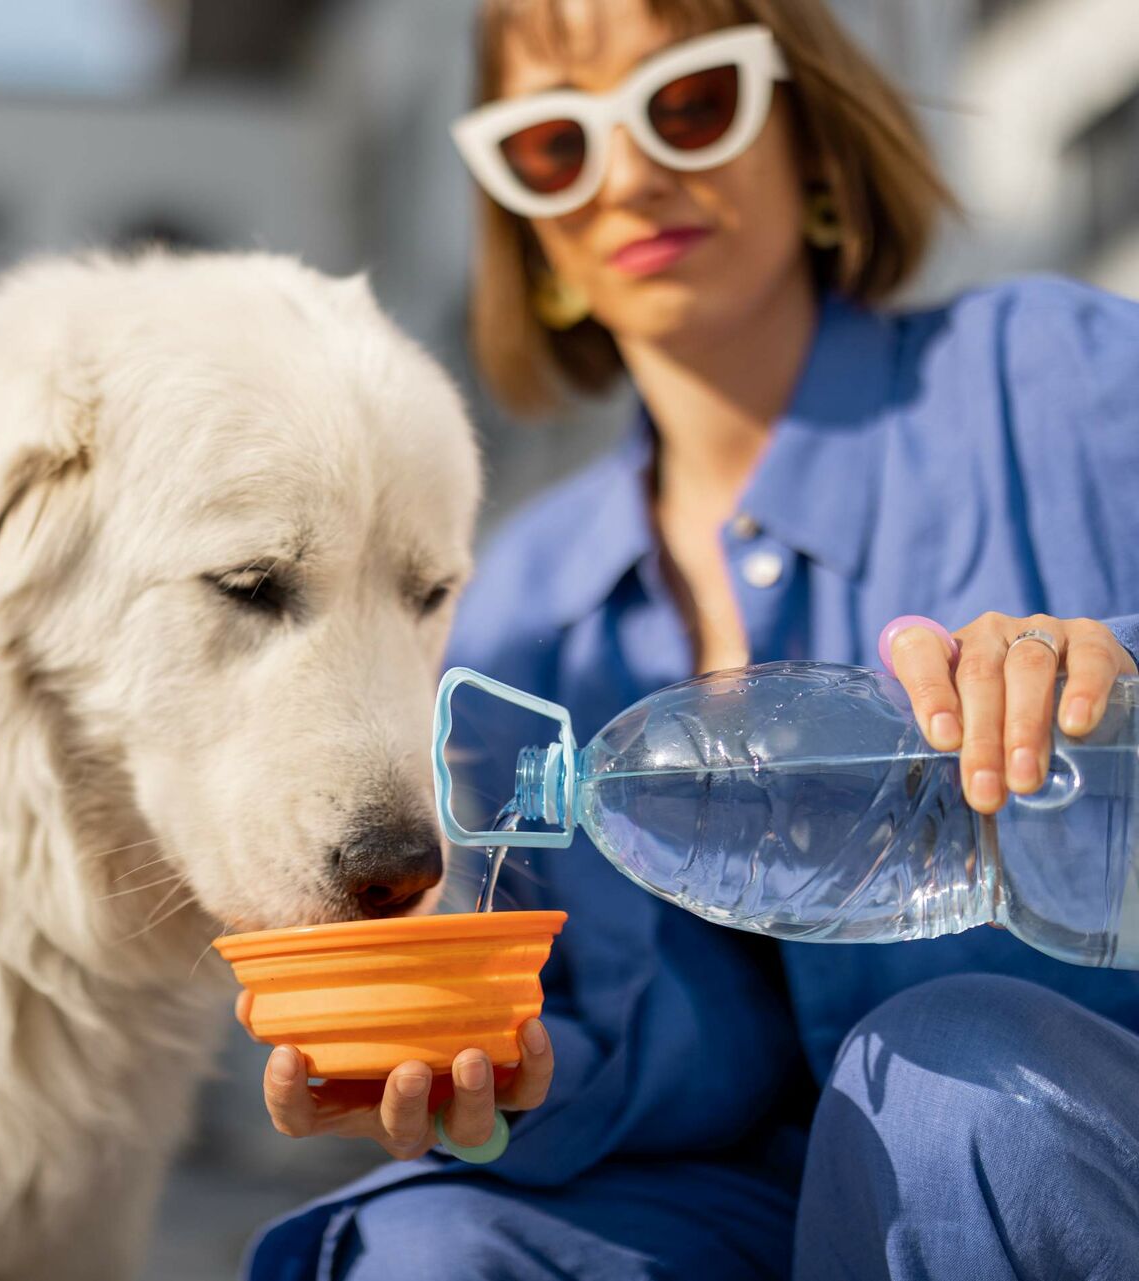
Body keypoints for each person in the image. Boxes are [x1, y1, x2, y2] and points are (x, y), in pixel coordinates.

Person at [247, 0, 1139, 1276]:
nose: (631, 173)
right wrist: (490, 1065)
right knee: (429, 1245)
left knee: (951, 1087)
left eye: (690, 104)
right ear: (534, 229)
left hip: (1072, 1148)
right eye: (557, 145)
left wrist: (1117, 669)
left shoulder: (1065, 384)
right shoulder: (513, 618)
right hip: (743, 1212)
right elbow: (643, 1057)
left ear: (810, 140)